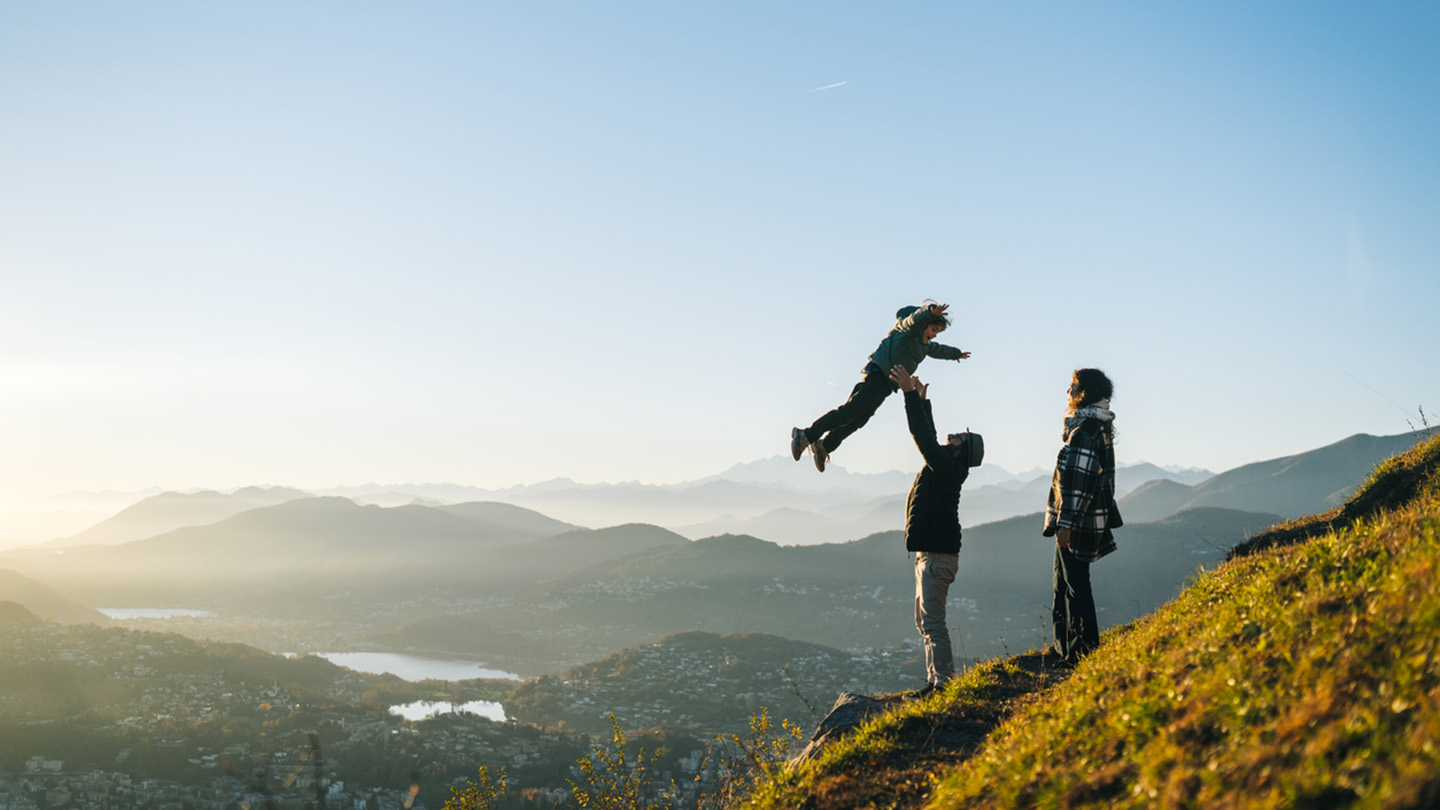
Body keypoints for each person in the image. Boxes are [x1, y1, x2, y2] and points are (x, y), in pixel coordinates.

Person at [791, 302, 971, 472]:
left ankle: (824, 446)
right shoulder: (907, 330)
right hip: (878, 374)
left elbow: (939, 350)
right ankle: (806, 435)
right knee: (851, 410)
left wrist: (956, 354)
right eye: (933, 329)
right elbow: (913, 320)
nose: (934, 335)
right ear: (924, 324)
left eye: (937, 333)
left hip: (887, 384)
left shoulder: (924, 345)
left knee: (860, 418)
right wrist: (929, 312)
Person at [889, 363, 973, 696]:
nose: (953, 435)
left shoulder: (948, 467)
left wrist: (909, 395)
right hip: (931, 556)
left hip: (936, 559)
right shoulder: (947, 465)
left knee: (933, 624)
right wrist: (923, 402)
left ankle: (943, 685)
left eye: (959, 437)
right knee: (925, 623)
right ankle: (934, 682)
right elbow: (932, 438)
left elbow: (924, 439)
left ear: (961, 450)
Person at [1042, 368, 1123, 665]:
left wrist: (1066, 523)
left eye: (1072, 386)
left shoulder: (1083, 431)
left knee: (1073, 583)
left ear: (1084, 391)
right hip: (1088, 517)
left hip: (1076, 521)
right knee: (1064, 581)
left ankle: (1081, 651)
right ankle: (1065, 646)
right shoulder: (1098, 426)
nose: (1068, 392)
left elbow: (1076, 481)